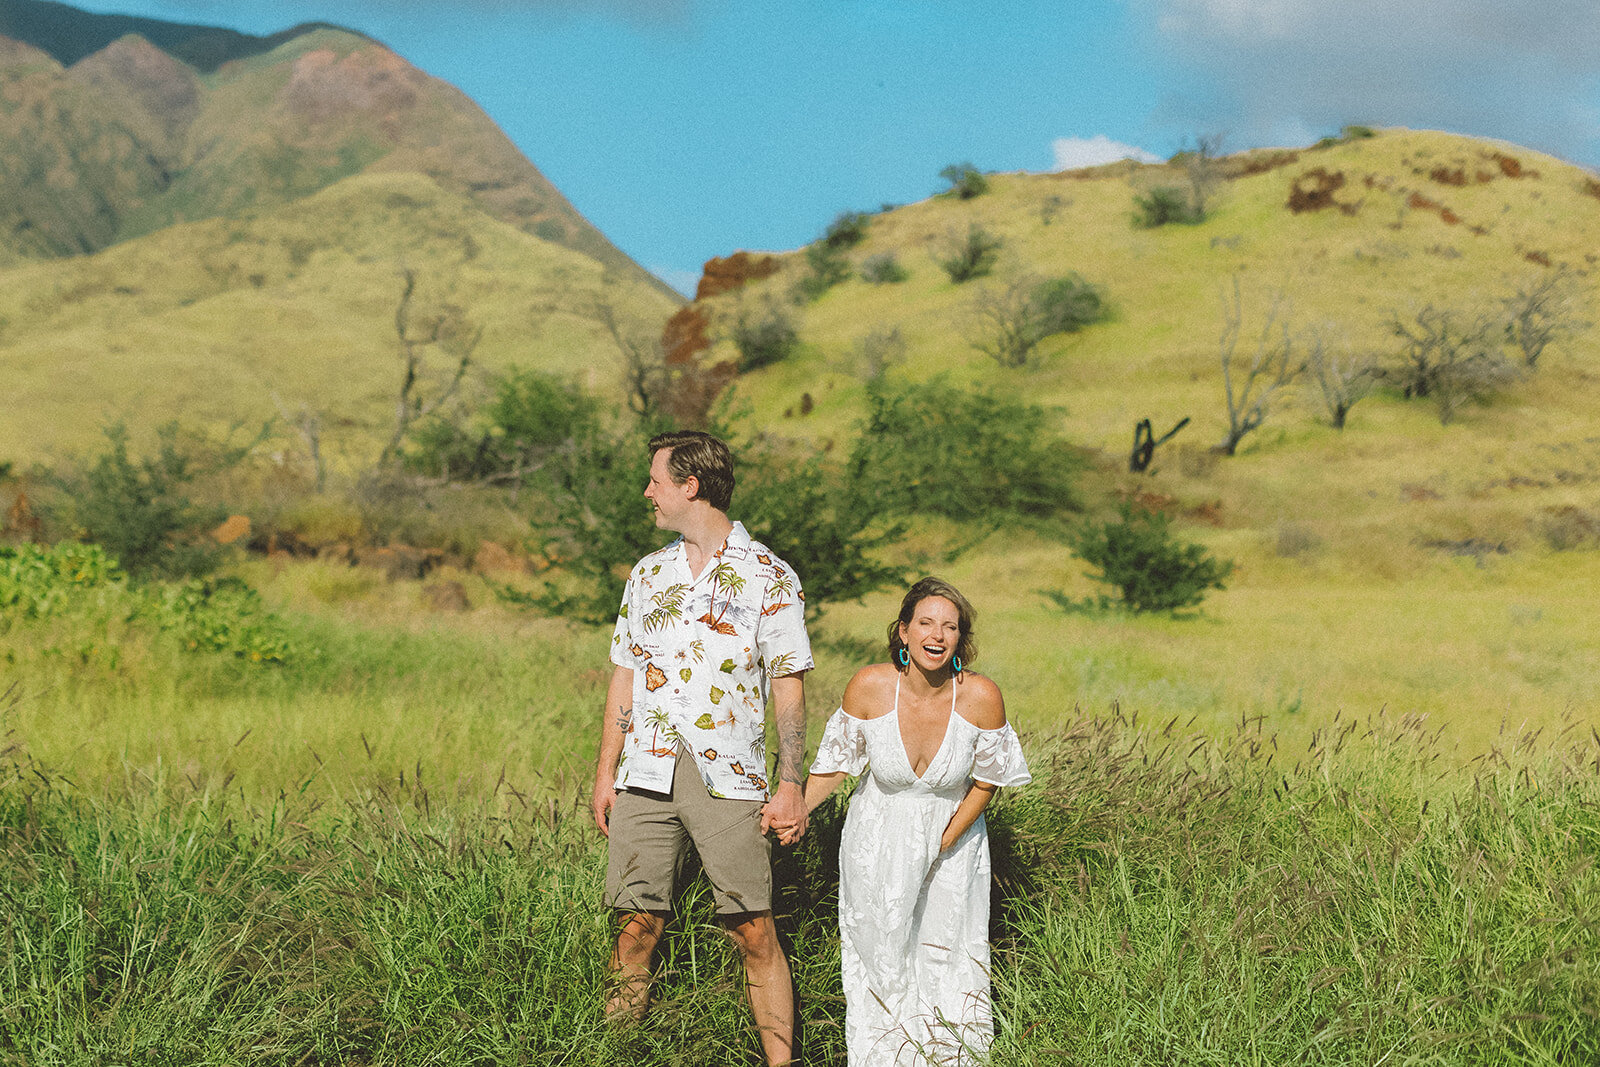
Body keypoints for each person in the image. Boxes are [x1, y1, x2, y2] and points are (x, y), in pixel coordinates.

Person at [592, 429, 812, 1066]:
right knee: (635, 931)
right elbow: (625, 675)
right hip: (645, 770)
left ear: (691, 486)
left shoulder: (768, 575)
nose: (647, 493)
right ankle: (619, 1054)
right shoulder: (648, 573)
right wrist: (605, 772)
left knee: (752, 928)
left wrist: (791, 779)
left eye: (656, 481)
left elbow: (788, 683)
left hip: (730, 776)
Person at [786, 577, 1030, 1066]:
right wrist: (793, 810)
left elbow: (987, 780)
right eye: (925, 623)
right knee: (882, 957)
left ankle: (951, 1058)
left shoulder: (981, 696)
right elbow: (835, 765)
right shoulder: (870, 686)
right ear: (903, 631)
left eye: (950, 627)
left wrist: (947, 838)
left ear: (962, 639)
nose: (937, 635)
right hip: (877, 838)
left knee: (949, 956)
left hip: (954, 844)